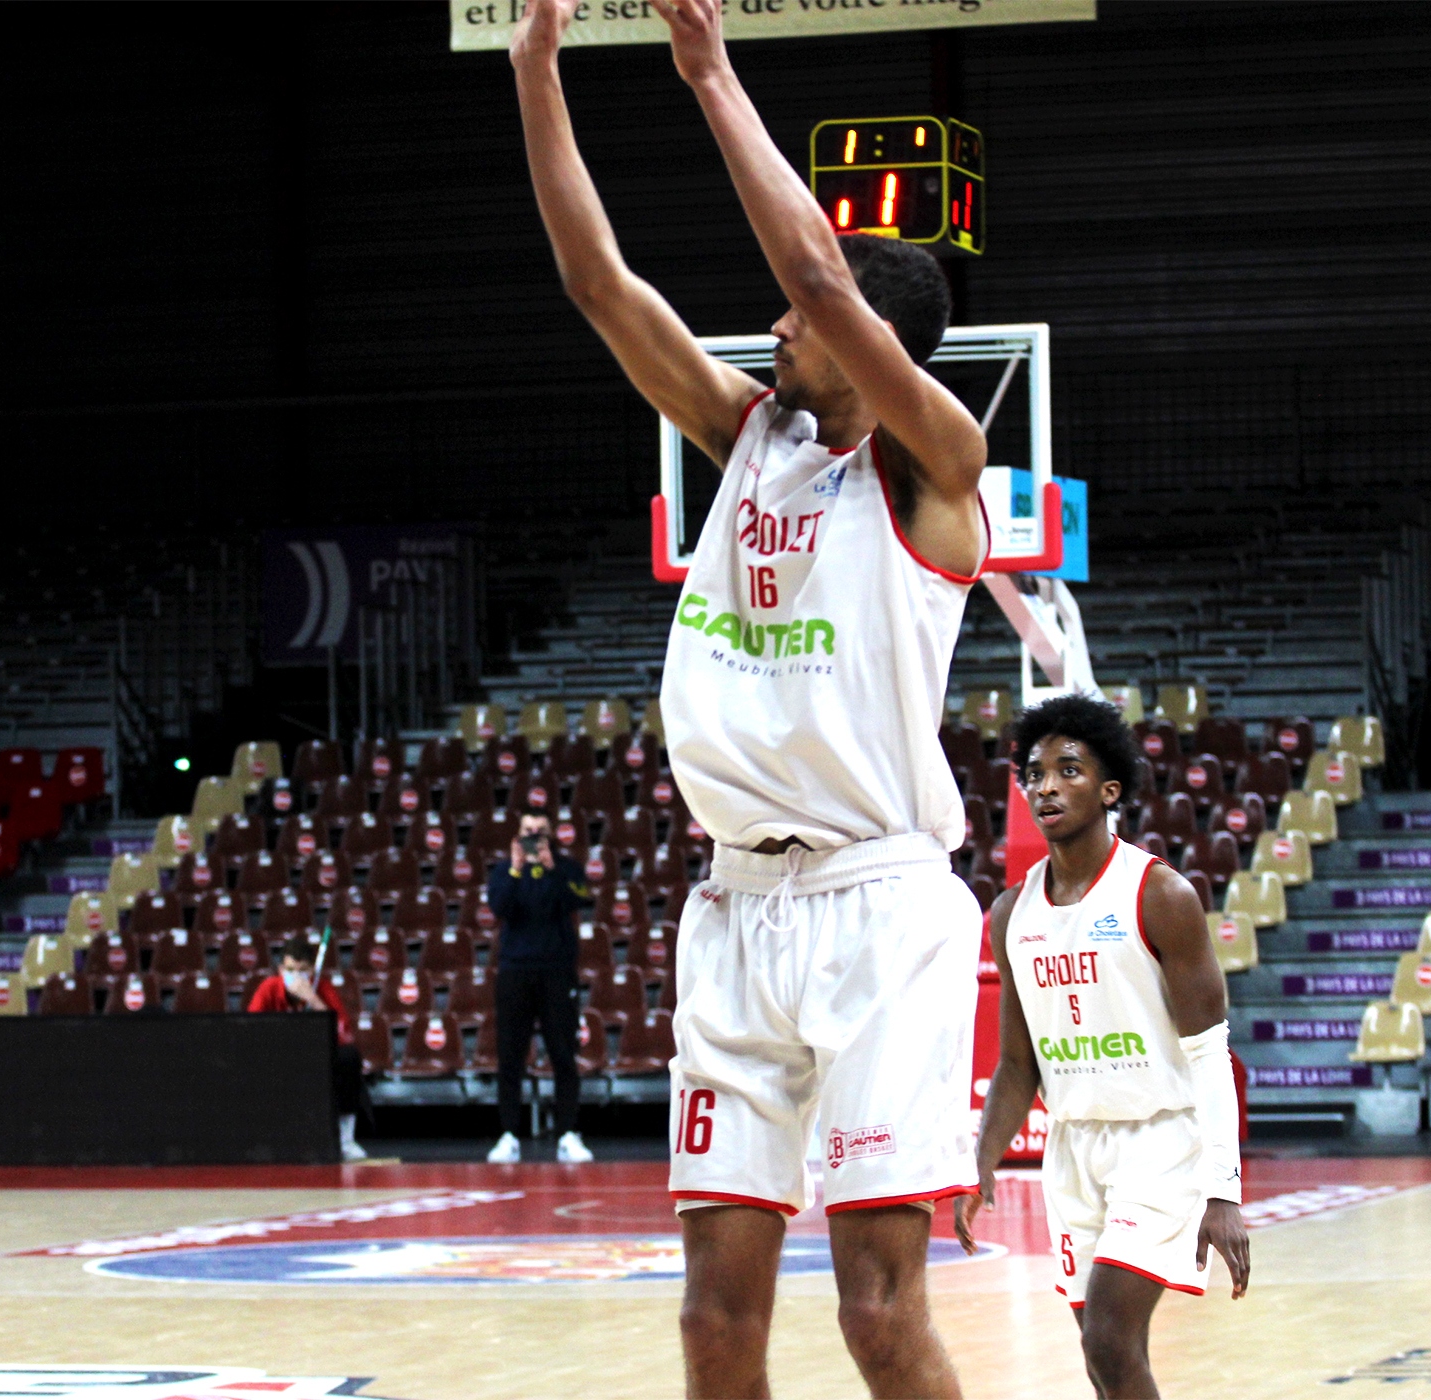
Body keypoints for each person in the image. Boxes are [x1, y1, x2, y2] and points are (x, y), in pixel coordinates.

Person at [511, 0, 991, 1391]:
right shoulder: (749, 437)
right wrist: (539, 74)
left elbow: (821, 276)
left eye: (804, 314)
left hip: (881, 908)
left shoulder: (934, 468)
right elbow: (600, 282)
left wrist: (708, 71)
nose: (778, 323)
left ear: (872, 343)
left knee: (878, 1313)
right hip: (735, 909)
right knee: (714, 1320)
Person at [955, 694, 1251, 1400]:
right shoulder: (1010, 913)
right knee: (1104, 1362)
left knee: (1109, 1339)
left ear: (1109, 789)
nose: (1047, 787)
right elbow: (1018, 1064)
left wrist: (1224, 1193)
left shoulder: (1161, 896)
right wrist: (981, 1161)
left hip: (1163, 1145)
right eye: (1034, 773)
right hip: (1075, 1151)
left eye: (1068, 770)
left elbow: (1212, 1057)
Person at [484, 812, 595, 1165]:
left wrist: (551, 868)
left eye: (540, 832)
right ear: (517, 836)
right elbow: (498, 907)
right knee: (510, 1057)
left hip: (557, 971)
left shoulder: (566, 867)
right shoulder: (504, 871)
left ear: (551, 836)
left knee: (563, 1054)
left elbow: (580, 897)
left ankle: (568, 1133)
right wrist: (518, 868)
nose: (534, 837)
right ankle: (508, 1135)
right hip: (515, 971)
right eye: (528, 831)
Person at [247, 941, 371, 1163]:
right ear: (280, 971)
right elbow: (249, 1028)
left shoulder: (322, 989)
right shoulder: (268, 988)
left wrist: (313, 1001)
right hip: (277, 1058)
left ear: (312, 971)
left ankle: (345, 1141)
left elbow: (342, 1034)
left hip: (315, 1060)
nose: (296, 976)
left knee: (349, 1057)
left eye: (302, 970)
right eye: (290, 970)